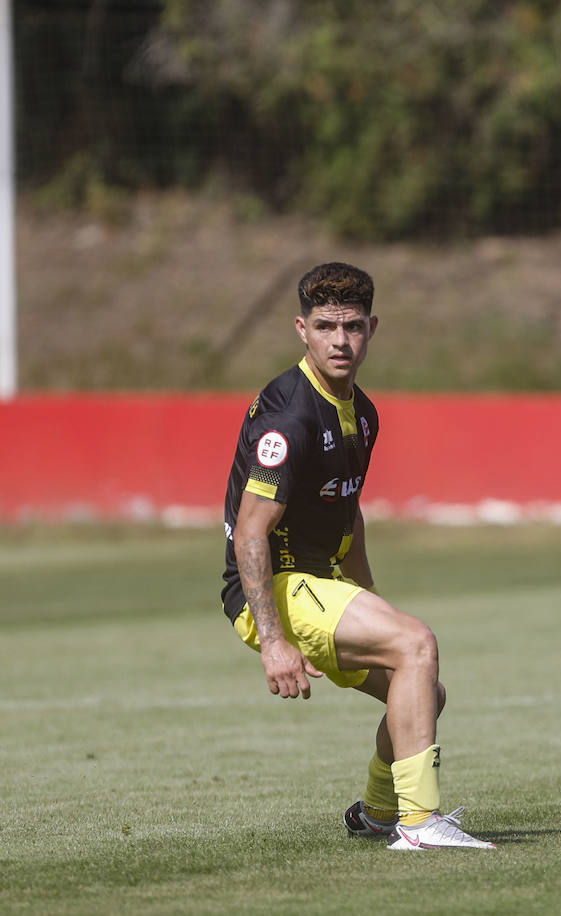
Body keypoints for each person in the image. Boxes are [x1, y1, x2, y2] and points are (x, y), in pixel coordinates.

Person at [219, 261, 494, 851]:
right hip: (277, 586)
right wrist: (272, 641)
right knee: (417, 644)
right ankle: (421, 824)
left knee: (422, 689)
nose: (340, 341)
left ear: (372, 327)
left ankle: (376, 812)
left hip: (320, 582)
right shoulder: (290, 417)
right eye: (325, 327)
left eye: (352, 327)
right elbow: (249, 534)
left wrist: (369, 599)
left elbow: (350, 512)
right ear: (301, 329)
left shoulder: (362, 412)